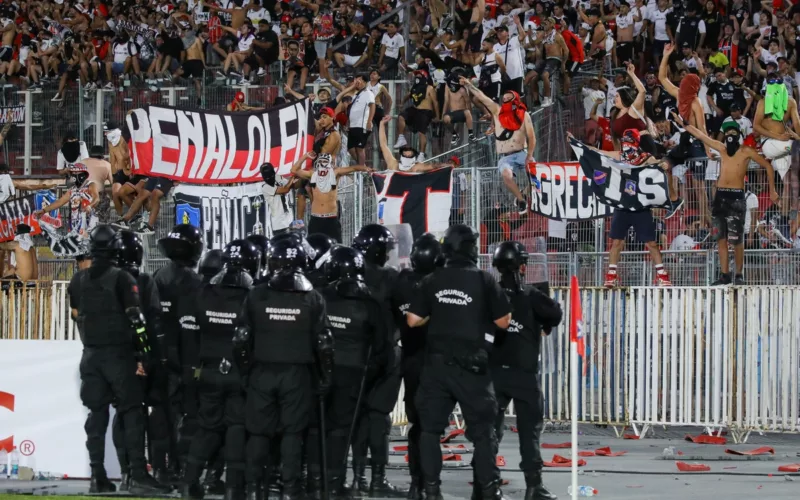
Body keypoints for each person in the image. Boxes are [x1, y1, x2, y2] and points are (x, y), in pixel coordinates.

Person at [405, 224, 511, 500]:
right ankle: (487, 490)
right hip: (472, 368)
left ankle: (431, 491)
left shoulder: (432, 279)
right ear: (470, 248)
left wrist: (438, 314)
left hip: (437, 365)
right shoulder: (484, 280)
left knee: (429, 430)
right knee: (483, 432)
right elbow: (504, 321)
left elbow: (413, 320)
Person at [67, 224, 167, 495]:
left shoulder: (77, 280)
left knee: (96, 415)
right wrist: (144, 353)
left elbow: (77, 315)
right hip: (119, 356)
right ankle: (136, 474)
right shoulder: (123, 278)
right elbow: (137, 319)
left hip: (90, 356)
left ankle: (97, 475)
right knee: (132, 411)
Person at [237, 236, 333, 500]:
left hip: (262, 370)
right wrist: (326, 376)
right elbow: (324, 343)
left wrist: (244, 372)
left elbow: (241, 339)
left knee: (259, 432)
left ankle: (255, 489)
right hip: (297, 373)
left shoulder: (256, 294)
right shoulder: (313, 298)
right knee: (293, 433)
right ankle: (289, 490)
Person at [181, 240, 261, 500]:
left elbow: (191, 332)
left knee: (206, 428)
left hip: (208, 371)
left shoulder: (204, 293)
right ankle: (232, 489)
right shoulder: (254, 297)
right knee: (237, 430)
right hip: (239, 373)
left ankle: (189, 483)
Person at [313, 245, 390, 499]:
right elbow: (382, 346)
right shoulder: (371, 301)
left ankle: (318, 481)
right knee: (342, 429)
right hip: (354, 374)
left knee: (319, 426)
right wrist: (371, 374)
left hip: (322, 371)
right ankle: (333, 483)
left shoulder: (321, 296)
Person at [491, 241, 562, 500]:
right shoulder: (531, 295)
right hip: (523, 373)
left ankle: (487, 485)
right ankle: (534, 486)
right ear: (522, 265)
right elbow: (555, 313)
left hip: (494, 372)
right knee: (529, 432)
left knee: (490, 431)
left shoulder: (491, 293)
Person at [677, 117, 780, 285]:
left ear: (738, 134)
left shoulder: (746, 151)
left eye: (733, 132)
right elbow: (703, 136)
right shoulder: (722, 148)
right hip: (721, 197)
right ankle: (725, 274)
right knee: (720, 237)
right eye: (728, 132)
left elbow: (768, 166)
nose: (731, 135)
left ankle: (738, 274)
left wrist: (773, 190)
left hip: (736, 197)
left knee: (737, 239)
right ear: (725, 136)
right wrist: (686, 125)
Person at [109, 230, 169, 492]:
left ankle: (125, 472)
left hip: (113, 359)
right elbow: (153, 322)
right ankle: (148, 471)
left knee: (123, 414)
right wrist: (145, 357)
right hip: (141, 357)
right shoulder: (144, 281)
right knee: (145, 413)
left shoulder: (104, 281)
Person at [350, 224, 404, 498]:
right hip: (385, 356)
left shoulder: (350, 273)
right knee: (378, 419)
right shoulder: (391, 278)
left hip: (354, 357)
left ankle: (358, 477)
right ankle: (377, 480)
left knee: (357, 418)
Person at [390, 233, 443, 500]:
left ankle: (417, 483)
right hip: (433, 362)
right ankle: (429, 484)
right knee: (430, 428)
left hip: (411, 359)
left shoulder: (401, 282)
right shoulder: (440, 284)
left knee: (417, 426)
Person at [153, 224, 205, 483]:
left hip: (160, 354)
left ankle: (161, 468)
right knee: (189, 414)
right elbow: (193, 324)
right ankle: (182, 466)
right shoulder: (195, 282)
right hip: (186, 356)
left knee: (163, 414)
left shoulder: (158, 276)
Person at [291, 108, 371, 242]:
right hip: (316, 174)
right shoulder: (323, 133)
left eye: (324, 117)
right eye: (320, 117)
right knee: (298, 189)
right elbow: (297, 169)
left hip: (325, 174)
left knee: (304, 189)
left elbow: (324, 156)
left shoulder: (333, 135)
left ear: (331, 118)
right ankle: (300, 222)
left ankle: (304, 220)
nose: (321, 120)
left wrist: (365, 168)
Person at [459, 75, 535, 215]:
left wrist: (529, 155)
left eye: (508, 99)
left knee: (536, 178)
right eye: (504, 99)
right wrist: (469, 85)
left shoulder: (524, 115)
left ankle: (522, 195)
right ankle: (521, 201)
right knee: (506, 174)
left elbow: (531, 137)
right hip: (505, 156)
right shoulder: (497, 111)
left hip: (522, 153)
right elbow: (482, 97)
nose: (505, 101)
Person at [660, 43, 705, 219]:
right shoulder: (679, 94)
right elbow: (662, 78)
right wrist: (665, 55)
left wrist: (708, 150)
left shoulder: (696, 103)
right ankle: (674, 199)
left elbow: (702, 129)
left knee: (699, 186)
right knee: (664, 165)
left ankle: (703, 222)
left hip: (698, 140)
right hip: (686, 139)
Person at [753, 73, 800, 202]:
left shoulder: (790, 102)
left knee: (789, 183)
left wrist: (797, 137)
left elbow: (797, 124)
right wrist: (778, 136)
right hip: (769, 143)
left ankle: (786, 216)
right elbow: (756, 126)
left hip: (784, 143)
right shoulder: (763, 103)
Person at [394, 70, 440, 160]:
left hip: (425, 111)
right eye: (416, 76)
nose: (417, 77)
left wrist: (437, 116)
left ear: (424, 77)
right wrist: (402, 103)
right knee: (401, 116)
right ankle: (401, 138)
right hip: (415, 110)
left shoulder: (429, 88)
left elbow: (435, 103)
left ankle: (422, 154)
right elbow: (408, 95)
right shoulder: (414, 88)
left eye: (419, 75)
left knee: (421, 133)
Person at [260, 162, 296, 236]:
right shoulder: (265, 187)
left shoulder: (277, 177)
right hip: (279, 225)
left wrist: (294, 177)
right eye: (265, 174)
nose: (268, 177)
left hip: (289, 220)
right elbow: (285, 189)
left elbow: (289, 184)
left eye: (269, 173)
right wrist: (293, 176)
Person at [442, 68, 475, 145]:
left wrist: (470, 114)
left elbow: (468, 102)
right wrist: (443, 114)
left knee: (467, 113)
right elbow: (446, 100)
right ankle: (454, 135)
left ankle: (471, 134)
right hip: (453, 112)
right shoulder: (448, 85)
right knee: (445, 119)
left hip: (463, 112)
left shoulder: (463, 89)